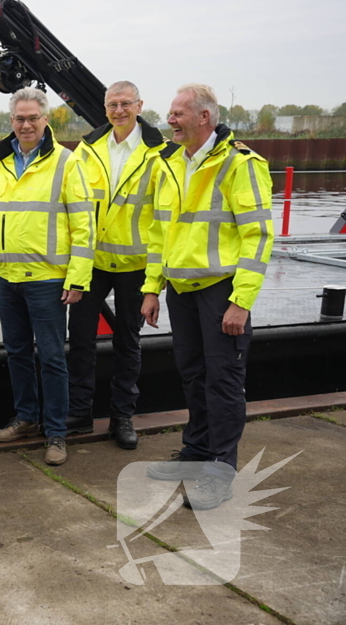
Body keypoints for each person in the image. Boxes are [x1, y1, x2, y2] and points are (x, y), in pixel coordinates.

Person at [141, 84, 272, 509]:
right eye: (171, 113)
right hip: (181, 289)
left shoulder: (240, 164)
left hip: (221, 290)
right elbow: (160, 232)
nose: (170, 120)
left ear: (205, 117)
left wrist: (241, 300)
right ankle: (196, 452)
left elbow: (258, 236)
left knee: (223, 380)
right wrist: (151, 288)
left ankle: (220, 469)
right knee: (193, 374)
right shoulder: (170, 164)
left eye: (179, 113)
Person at [0, 86, 94, 466]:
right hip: (6, 275)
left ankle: (56, 434)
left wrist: (77, 278)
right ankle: (26, 419)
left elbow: (85, 224)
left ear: (46, 120)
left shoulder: (67, 163)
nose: (26, 124)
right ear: (11, 121)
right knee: (17, 352)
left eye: (33, 118)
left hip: (47, 279)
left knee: (52, 358)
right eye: (19, 118)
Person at [65, 82, 176, 449]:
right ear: (104, 107)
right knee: (80, 340)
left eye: (125, 103)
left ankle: (122, 418)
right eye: (112, 104)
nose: (119, 110)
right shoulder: (87, 148)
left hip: (134, 264)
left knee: (128, 343)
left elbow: (165, 218)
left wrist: (155, 281)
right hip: (91, 263)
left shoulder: (160, 153)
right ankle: (79, 414)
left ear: (140, 105)